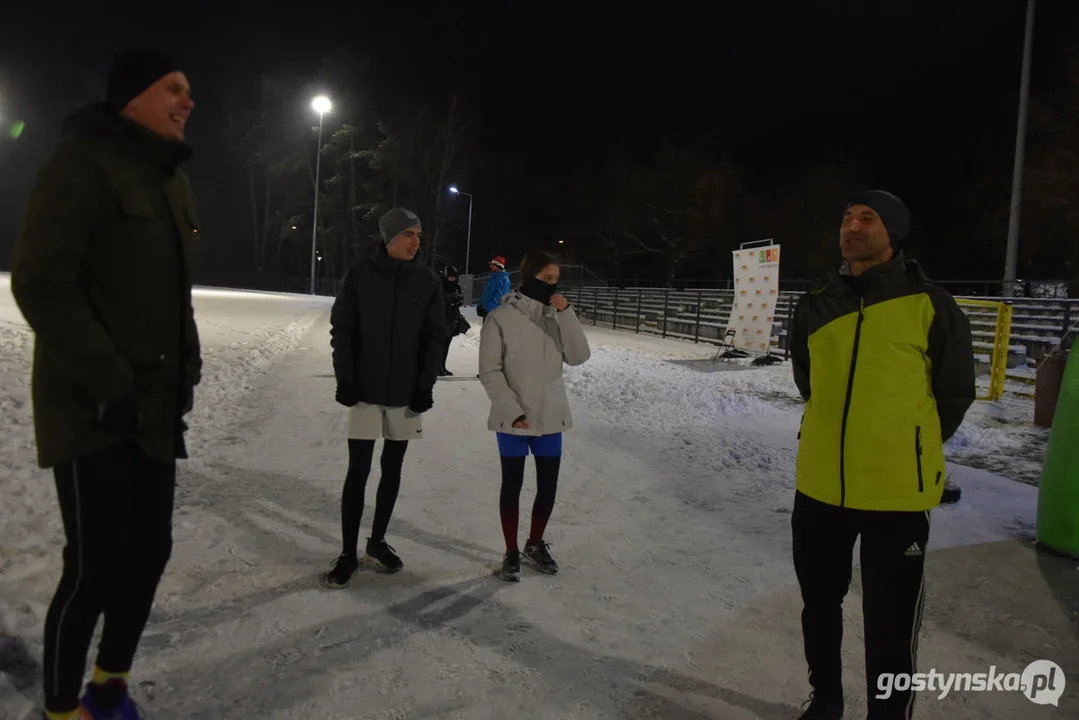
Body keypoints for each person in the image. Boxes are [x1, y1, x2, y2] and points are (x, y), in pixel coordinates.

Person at [10, 50, 201, 720]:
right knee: (94, 567)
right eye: (174, 88)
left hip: (152, 408)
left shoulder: (170, 182)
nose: (188, 100)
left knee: (150, 551)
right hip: (90, 406)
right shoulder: (83, 162)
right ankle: (60, 711)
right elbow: (39, 279)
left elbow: (173, 295)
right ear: (133, 99)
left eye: (188, 90)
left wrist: (188, 365)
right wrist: (106, 378)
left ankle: (108, 685)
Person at [789, 190, 975, 720]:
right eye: (846, 217)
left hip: (897, 493)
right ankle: (825, 701)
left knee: (890, 621)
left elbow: (955, 391)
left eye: (866, 218)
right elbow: (808, 382)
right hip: (821, 486)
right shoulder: (815, 301)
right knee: (819, 606)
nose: (852, 226)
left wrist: (911, 447)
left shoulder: (931, 304)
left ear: (892, 233)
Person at [322, 207, 445, 587]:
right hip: (364, 391)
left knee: (393, 468)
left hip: (406, 394)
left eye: (419, 235)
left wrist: (425, 384)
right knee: (358, 471)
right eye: (408, 234)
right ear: (389, 237)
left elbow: (435, 336)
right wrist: (346, 378)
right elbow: (342, 330)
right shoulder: (360, 277)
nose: (415, 242)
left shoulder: (427, 282)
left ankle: (376, 541)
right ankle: (348, 552)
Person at [478, 250, 591, 582]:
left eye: (556, 279)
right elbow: (489, 371)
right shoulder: (500, 318)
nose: (553, 285)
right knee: (511, 486)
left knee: (548, 487)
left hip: (550, 418)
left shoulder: (554, 318)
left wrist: (567, 313)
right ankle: (511, 551)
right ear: (529, 278)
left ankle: (534, 543)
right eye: (546, 279)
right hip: (514, 419)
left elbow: (579, 356)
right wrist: (512, 412)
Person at [439, 264, 467, 376]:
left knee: (446, 345)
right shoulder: (440, 286)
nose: (452, 279)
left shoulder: (457, 287)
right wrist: (448, 303)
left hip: (452, 318)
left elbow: (461, 299)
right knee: (439, 345)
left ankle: (443, 366)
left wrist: (458, 301)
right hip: (442, 318)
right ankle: (437, 367)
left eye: (454, 277)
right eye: (450, 277)